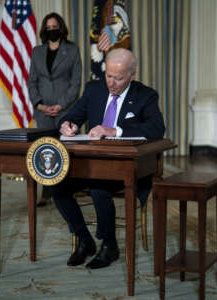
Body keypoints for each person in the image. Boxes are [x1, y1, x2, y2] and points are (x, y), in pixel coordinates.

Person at [54, 48, 165, 269]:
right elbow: (72, 116)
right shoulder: (94, 89)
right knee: (56, 185)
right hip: (90, 164)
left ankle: (109, 245)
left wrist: (116, 131)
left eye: (119, 77)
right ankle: (85, 241)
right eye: (108, 75)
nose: (112, 82)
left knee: (98, 187)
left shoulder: (145, 95)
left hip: (128, 168)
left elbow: (157, 128)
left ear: (132, 75)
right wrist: (68, 125)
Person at [28, 12, 82, 206]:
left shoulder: (72, 50)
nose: (52, 30)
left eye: (55, 27)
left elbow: (75, 84)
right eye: (48, 28)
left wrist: (59, 105)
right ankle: (46, 192)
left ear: (61, 28)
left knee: (65, 151)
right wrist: (40, 105)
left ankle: (69, 190)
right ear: (44, 30)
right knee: (43, 151)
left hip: (65, 110)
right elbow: (32, 82)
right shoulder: (37, 52)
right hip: (42, 112)